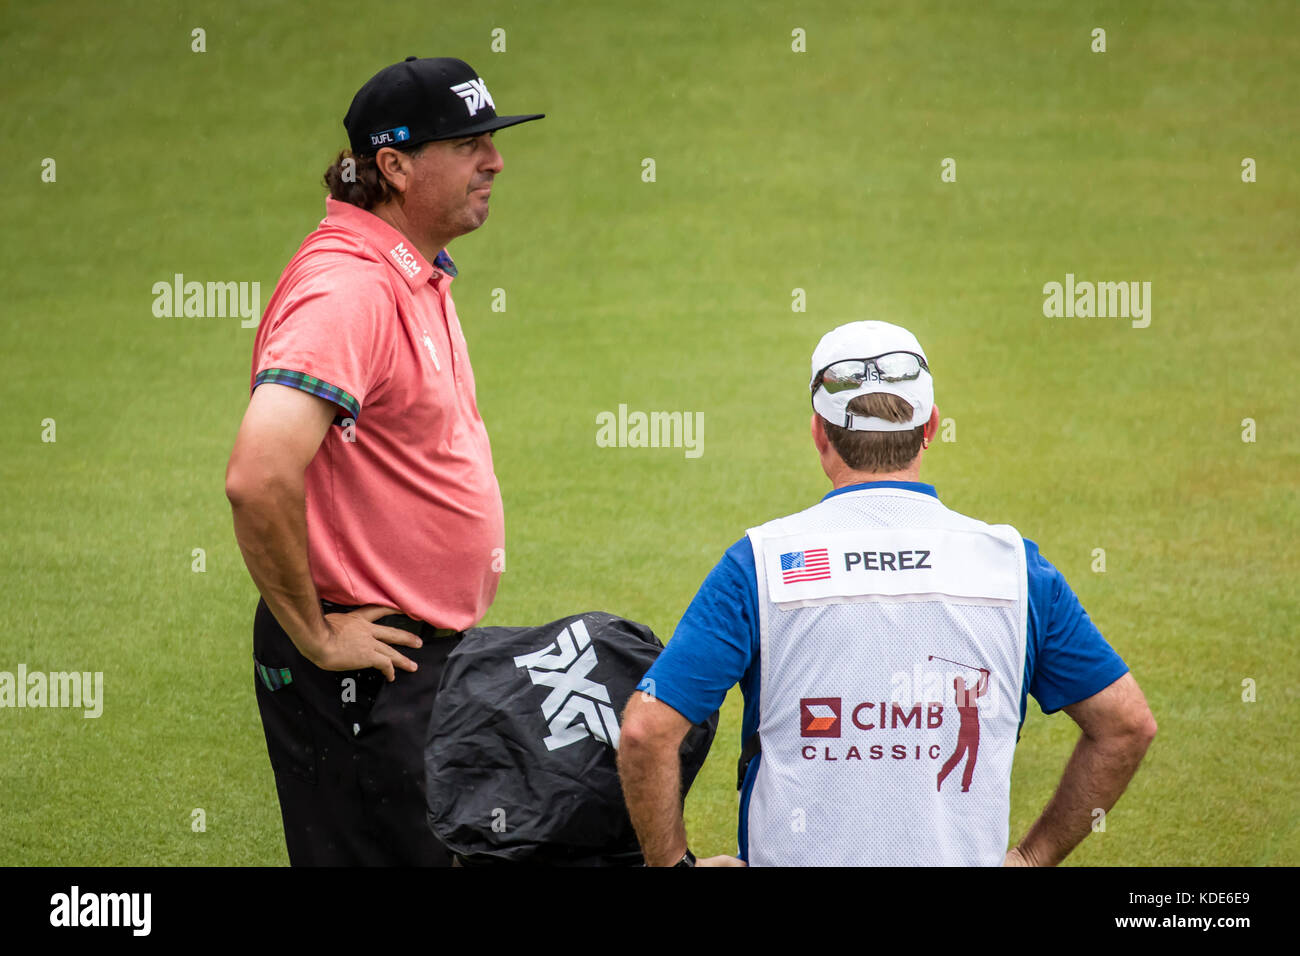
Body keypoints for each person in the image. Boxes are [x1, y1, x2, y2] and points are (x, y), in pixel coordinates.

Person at [617, 320, 1157, 866]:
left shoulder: (758, 564)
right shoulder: (1017, 569)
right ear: (931, 427)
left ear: (819, 434)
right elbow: (1126, 725)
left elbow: (646, 729)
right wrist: (1033, 857)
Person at [224, 56, 543, 866]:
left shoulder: (411, 274)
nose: (495, 161)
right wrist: (315, 635)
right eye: (469, 144)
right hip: (364, 670)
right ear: (394, 165)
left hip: (415, 662)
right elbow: (258, 475)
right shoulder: (349, 292)